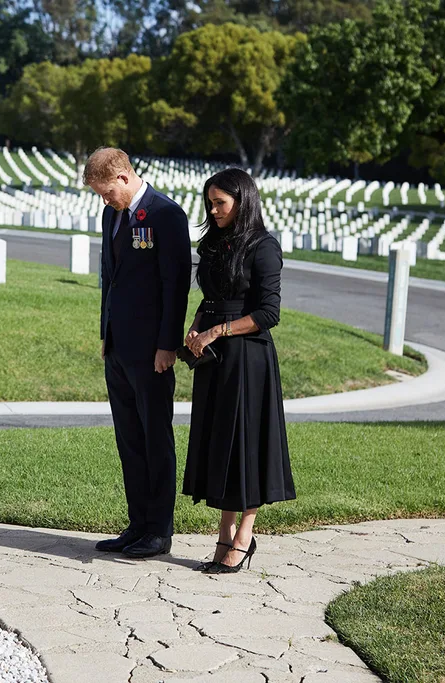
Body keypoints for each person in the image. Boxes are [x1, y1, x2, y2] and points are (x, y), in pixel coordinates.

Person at [182, 167, 296, 573]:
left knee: (245, 449)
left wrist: (216, 330)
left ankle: (242, 537)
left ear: (242, 201)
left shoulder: (264, 247)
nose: (212, 211)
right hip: (214, 361)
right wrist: (197, 325)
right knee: (221, 447)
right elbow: (210, 297)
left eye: (220, 203)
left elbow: (269, 313)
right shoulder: (214, 243)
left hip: (248, 360)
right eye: (209, 203)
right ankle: (222, 533)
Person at [85, 147, 192, 559]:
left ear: (124, 178)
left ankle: (159, 531)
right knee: (128, 439)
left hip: (152, 351)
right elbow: (110, 279)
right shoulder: (111, 214)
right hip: (118, 347)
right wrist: (105, 333)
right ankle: (137, 524)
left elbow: (175, 284)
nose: (104, 200)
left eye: (107, 191)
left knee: (154, 437)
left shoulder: (166, 215)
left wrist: (168, 344)